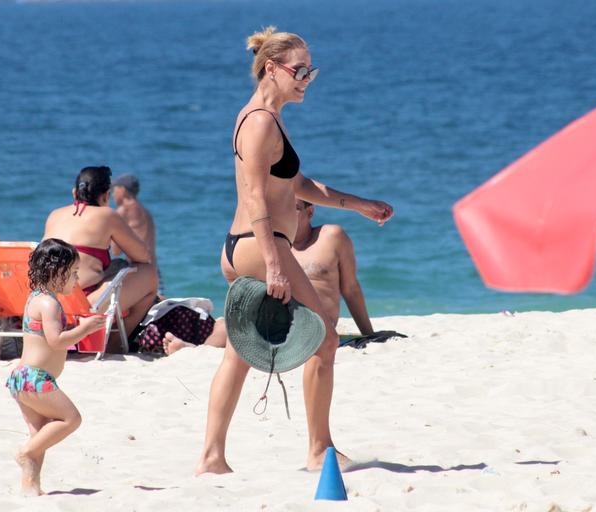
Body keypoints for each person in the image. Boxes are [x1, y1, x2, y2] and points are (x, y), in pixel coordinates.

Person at [195, 27, 393, 475]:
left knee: (239, 352)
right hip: (258, 245)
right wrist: (273, 263)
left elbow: (294, 186)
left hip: (245, 245)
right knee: (324, 335)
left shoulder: (269, 117)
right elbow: (255, 198)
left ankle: (211, 457)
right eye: (299, 70)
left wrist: (357, 203)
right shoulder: (260, 121)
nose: (307, 78)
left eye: (311, 71)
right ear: (271, 68)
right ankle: (320, 451)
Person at [6, 238, 106, 496]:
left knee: (40, 436)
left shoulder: (36, 298)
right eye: (72, 273)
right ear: (56, 271)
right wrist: (83, 330)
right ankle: (24, 453)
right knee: (71, 419)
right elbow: (56, 340)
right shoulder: (50, 304)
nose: (76, 279)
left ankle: (31, 489)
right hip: (36, 379)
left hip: (22, 377)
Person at [42, 166, 159, 353]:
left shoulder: (54, 215)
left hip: (48, 301)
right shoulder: (107, 215)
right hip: (81, 304)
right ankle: (114, 342)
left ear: (74, 193)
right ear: (106, 196)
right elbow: (142, 255)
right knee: (149, 274)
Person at [293, 200, 405, 344]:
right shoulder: (271, 245)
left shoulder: (331, 237)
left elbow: (350, 289)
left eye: (294, 208)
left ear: (310, 212)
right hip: (285, 336)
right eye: (281, 206)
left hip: (322, 335)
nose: (287, 212)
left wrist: (368, 334)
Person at [110, 173, 163, 297]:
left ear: (122, 190)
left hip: (138, 270)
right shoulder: (145, 212)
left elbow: (116, 251)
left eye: (114, 190)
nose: (112, 194)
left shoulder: (123, 211)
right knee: (156, 305)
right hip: (154, 269)